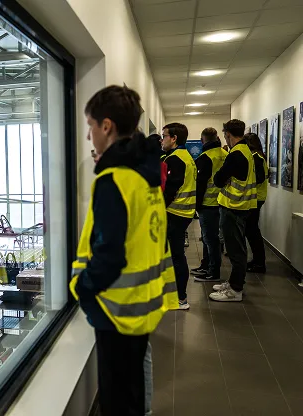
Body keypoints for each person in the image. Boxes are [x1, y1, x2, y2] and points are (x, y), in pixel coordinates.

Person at [70, 85, 178, 415]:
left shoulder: (113, 180)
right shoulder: (146, 173)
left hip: (116, 309)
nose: (89, 137)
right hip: (144, 304)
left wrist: (83, 288)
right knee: (134, 388)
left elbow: (109, 254)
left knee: (117, 399)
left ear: (106, 126)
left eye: (90, 126)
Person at [210, 120, 263, 302]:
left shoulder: (236, 154)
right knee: (238, 247)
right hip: (241, 207)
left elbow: (218, 179)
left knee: (235, 250)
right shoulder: (247, 151)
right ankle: (234, 282)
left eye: (224, 134)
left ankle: (235, 290)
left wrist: (222, 177)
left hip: (233, 207)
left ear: (228, 134)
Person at [162, 123, 197, 310]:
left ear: (174, 138)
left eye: (164, 135)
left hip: (175, 213)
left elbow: (169, 192)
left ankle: (181, 298)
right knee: (175, 255)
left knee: (176, 256)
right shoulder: (186, 157)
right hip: (183, 213)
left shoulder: (175, 159)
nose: (162, 139)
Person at [190, 128, 228, 283]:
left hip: (208, 203)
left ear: (202, 140)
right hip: (224, 202)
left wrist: (196, 206)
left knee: (209, 239)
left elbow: (201, 185)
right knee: (211, 239)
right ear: (217, 138)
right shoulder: (226, 155)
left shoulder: (204, 158)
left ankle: (213, 271)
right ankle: (206, 265)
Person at [245, 133, 268, 273]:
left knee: (252, 231)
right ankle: (257, 260)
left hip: (256, 197)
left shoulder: (256, 158)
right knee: (252, 230)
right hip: (256, 197)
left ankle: (259, 263)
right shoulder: (258, 157)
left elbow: (258, 178)